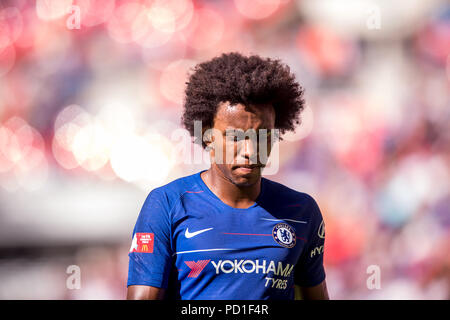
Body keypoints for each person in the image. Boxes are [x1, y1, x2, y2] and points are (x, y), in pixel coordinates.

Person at [126, 52, 329, 300]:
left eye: (263, 135)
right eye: (235, 137)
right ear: (208, 136)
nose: (250, 150)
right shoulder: (166, 205)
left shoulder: (301, 211)